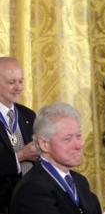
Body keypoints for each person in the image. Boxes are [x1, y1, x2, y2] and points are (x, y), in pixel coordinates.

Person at [9, 102, 105, 214]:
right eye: (67, 139)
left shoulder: (79, 182)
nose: (78, 145)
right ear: (44, 144)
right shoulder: (32, 189)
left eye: (78, 136)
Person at [0, 57, 38, 213]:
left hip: (33, 201)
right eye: (11, 82)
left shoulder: (28, 115)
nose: (18, 87)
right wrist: (20, 156)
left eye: (20, 81)